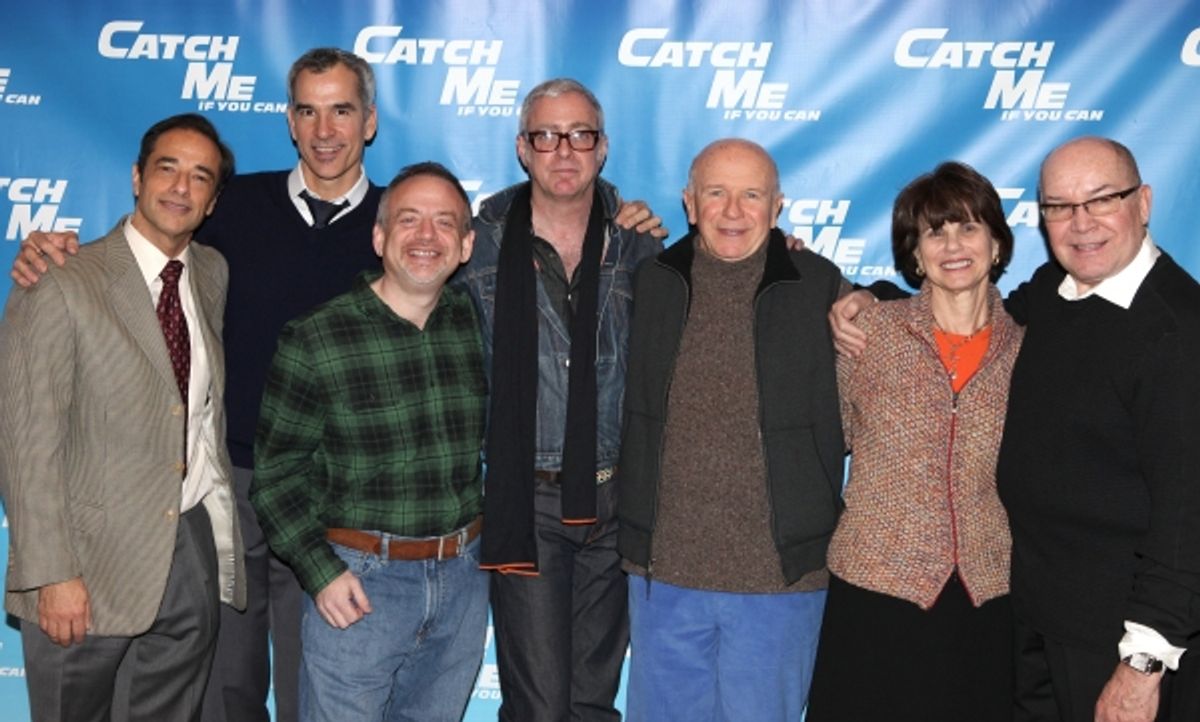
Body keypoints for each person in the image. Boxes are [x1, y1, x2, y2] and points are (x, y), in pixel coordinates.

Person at [830, 137, 1200, 722]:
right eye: (1060, 207)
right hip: (910, 604)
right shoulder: (1050, 301)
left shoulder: (1171, 331)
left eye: (1101, 200)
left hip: (1045, 617)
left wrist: (1144, 662)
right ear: (914, 253)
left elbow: (1187, 517)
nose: (1081, 224)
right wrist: (862, 298)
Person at [0, 113, 245, 722]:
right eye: (167, 168)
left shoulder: (212, 274)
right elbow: (25, 440)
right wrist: (50, 572)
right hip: (83, 564)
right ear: (137, 177)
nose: (180, 188)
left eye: (199, 177)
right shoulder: (60, 279)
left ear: (212, 202)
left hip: (187, 550)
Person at [616, 138, 845, 720]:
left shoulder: (822, 288)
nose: (734, 211)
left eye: (752, 195)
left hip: (781, 581)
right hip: (663, 577)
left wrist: (871, 297)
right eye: (716, 193)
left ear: (778, 207)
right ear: (690, 204)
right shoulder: (646, 283)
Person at [456, 78, 663, 721]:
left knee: (593, 702)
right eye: (546, 135)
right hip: (529, 497)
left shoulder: (641, 245)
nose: (564, 150)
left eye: (581, 135)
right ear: (523, 148)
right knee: (539, 706)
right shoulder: (476, 242)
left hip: (617, 498)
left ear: (603, 149)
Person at [250, 162, 486, 722]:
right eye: (409, 220)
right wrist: (320, 572)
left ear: (468, 244)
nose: (427, 237)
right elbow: (276, 477)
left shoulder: (476, 321)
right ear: (379, 237)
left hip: (462, 581)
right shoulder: (316, 337)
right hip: (360, 583)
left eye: (444, 223)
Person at [805, 161, 1021, 721]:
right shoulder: (867, 334)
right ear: (915, 253)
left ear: (996, 243)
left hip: (986, 593)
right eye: (934, 231)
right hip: (875, 591)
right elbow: (828, 441)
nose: (953, 244)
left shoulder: (1029, 349)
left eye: (968, 227)